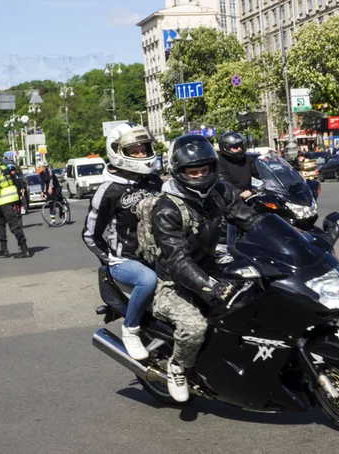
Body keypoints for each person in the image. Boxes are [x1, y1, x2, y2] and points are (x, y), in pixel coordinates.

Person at [151, 134, 262, 402]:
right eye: (193, 171)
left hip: (211, 265)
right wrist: (209, 286)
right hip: (173, 281)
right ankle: (178, 367)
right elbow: (177, 261)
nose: (200, 175)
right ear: (179, 172)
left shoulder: (219, 192)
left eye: (205, 169)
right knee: (194, 326)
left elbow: (250, 219)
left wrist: (295, 239)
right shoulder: (167, 208)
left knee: (261, 294)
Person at [82, 123, 162, 361]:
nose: (142, 154)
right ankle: (131, 329)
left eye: (144, 148)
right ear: (118, 151)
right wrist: (110, 259)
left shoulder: (155, 182)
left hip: (160, 254)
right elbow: (90, 234)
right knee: (147, 279)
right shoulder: (109, 190)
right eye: (134, 150)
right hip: (126, 260)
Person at [0, 150, 31, 258]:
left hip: (4, 199)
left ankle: (24, 249)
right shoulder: (3, 166)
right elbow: (15, 181)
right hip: (9, 197)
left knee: (14, 225)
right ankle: (4, 249)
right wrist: (18, 198)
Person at [216, 132, 260, 249]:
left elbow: (260, 173)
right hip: (231, 204)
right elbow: (223, 181)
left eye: (240, 145)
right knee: (235, 234)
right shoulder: (220, 162)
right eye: (235, 147)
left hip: (250, 200)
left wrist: (270, 181)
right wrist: (238, 192)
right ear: (225, 147)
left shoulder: (247, 159)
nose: (239, 148)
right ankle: (233, 251)